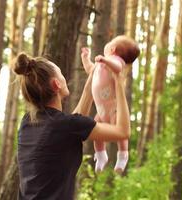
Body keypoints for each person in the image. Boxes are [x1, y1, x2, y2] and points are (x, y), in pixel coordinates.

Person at [14, 52, 130, 200]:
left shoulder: (27, 123)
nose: (64, 78)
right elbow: (123, 132)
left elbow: (69, 127)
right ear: (57, 84)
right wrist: (119, 82)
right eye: (61, 74)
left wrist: (91, 81)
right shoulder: (65, 125)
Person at [81, 35, 140, 174]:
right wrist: (85, 58)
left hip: (113, 108)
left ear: (113, 49)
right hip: (102, 110)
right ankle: (101, 155)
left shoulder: (114, 60)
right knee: (95, 131)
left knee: (121, 135)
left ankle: (123, 154)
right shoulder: (100, 65)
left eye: (109, 44)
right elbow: (90, 70)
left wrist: (105, 60)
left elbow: (118, 68)